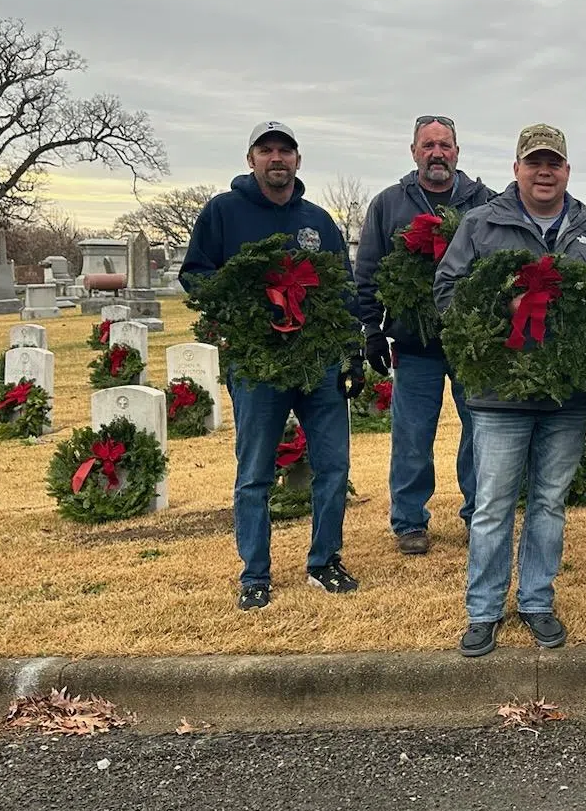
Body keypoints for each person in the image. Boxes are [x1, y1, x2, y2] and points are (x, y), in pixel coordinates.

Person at [432, 124, 586, 658]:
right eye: (534, 162)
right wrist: (500, 311)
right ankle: (483, 610)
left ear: (567, 171)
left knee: (550, 503)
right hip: (498, 396)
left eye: (553, 162)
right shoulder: (482, 224)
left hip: (566, 398)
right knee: (491, 505)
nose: (544, 171)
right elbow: (447, 292)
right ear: (516, 169)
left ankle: (536, 601)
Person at [180, 121, 365, 611]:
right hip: (257, 363)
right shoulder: (223, 212)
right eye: (267, 150)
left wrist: (353, 352)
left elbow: (343, 291)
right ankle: (255, 572)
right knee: (255, 472)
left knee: (333, 465)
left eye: (286, 150)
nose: (276, 158)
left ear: (298, 161)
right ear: (251, 159)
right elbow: (196, 275)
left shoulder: (318, 222)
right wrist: (246, 305)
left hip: (317, 362)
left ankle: (324, 560)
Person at [354, 114, 495, 554]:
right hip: (415, 344)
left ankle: (480, 514)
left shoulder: (484, 203)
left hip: (472, 341)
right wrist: (372, 330)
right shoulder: (389, 204)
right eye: (428, 145)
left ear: (457, 152)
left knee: (482, 431)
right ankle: (410, 520)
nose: (437, 153)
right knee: (413, 434)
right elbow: (370, 271)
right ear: (413, 151)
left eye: (445, 145)